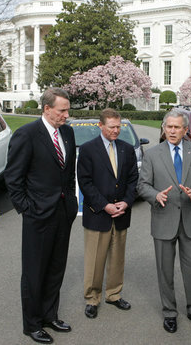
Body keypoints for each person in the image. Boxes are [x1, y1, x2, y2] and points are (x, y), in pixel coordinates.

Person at [5, 87, 78, 344]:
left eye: (67, 110)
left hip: (63, 213)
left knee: (56, 268)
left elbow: (69, 174)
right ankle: (32, 324)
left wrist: (71, 203)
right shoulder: (26, 134)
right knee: (35, 271)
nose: (66, 115)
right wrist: (27, 208)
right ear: (46, 109)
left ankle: (50, 315)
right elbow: (13, 178)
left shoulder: (67, 133)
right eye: (62, 110)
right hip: (37, 214)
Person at [137, 109, 191, 334]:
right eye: (168, 126)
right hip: (163, 218)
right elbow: (142, 185)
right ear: (164, 128)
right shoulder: (152, 154)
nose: (171, 131)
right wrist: (155, 196)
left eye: (176, 127)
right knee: (165, 270)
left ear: (185, 130)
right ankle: (169, 312)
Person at [77, 108, 139, 319]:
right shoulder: (87, 150)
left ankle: (114, 294)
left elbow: (133, 179)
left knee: (117, 259)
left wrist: (127, 202)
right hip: (98, 214)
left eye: (118, 126)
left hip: (121, 214)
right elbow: (85, 182)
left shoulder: (127, 149)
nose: (116, 131)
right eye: (112, 127)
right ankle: (92, 298)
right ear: (100, 126)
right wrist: (105, 205)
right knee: (95, 260)